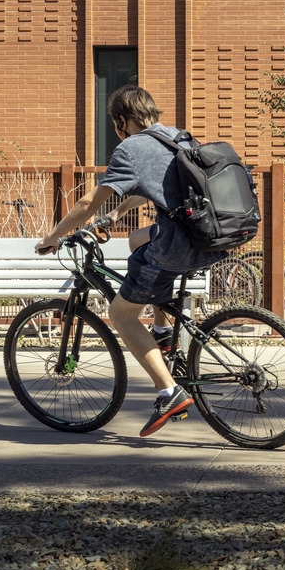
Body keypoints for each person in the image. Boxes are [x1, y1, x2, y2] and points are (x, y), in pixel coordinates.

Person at [35, 83, 222, 436]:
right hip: (209, 238)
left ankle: (169, 393)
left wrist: (53, 237)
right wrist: (119, 211)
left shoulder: (130, 148)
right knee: (138, 239)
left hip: (176, 245)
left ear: (121, 120)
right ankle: (164, 329)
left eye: (114, 123)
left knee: (120, 313)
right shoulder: (178, 137)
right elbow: (160, 185)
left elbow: (87, 204)